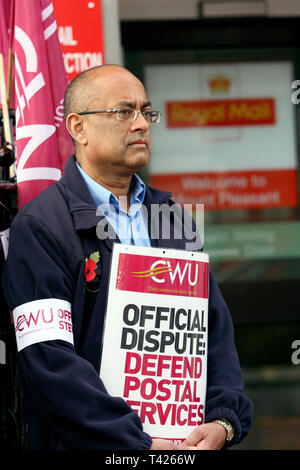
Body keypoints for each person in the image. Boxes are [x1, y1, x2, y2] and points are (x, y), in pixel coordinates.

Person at [2, 64, 253, 451]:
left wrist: (223, 420)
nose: (141, 124)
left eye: (146, 112)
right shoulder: (41, 227)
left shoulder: (171, 220)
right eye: (123, 112)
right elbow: (49, 361)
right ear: (78, 127)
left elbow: (212, 334)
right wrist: (134, 442)